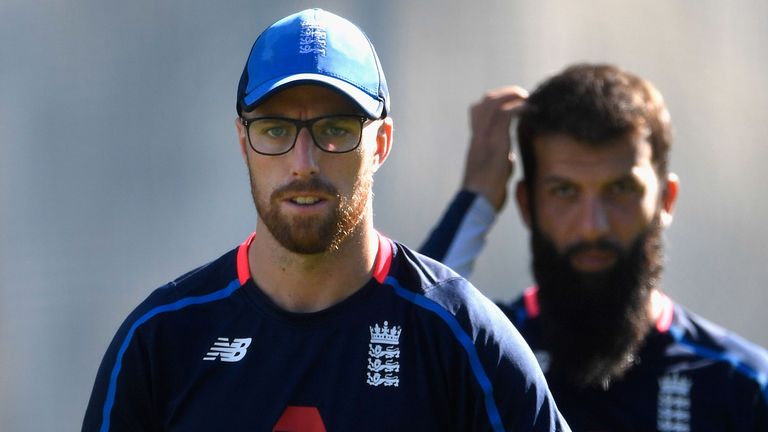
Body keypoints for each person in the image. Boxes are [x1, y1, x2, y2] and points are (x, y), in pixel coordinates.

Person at [82, 9, 569, 432]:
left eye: (335, 129)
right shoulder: (161, 339)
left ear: (380, 144)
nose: (303, 162)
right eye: (275, 130)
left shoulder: (464, 335)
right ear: (242, 141)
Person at [421, 63, 768, 431]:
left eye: (620, 190)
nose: (592, 227)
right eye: (565, 191)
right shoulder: (480, 358)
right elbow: (404, 354)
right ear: (526, 204)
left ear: (666, 200)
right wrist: (475, 201)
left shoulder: (745, 388)